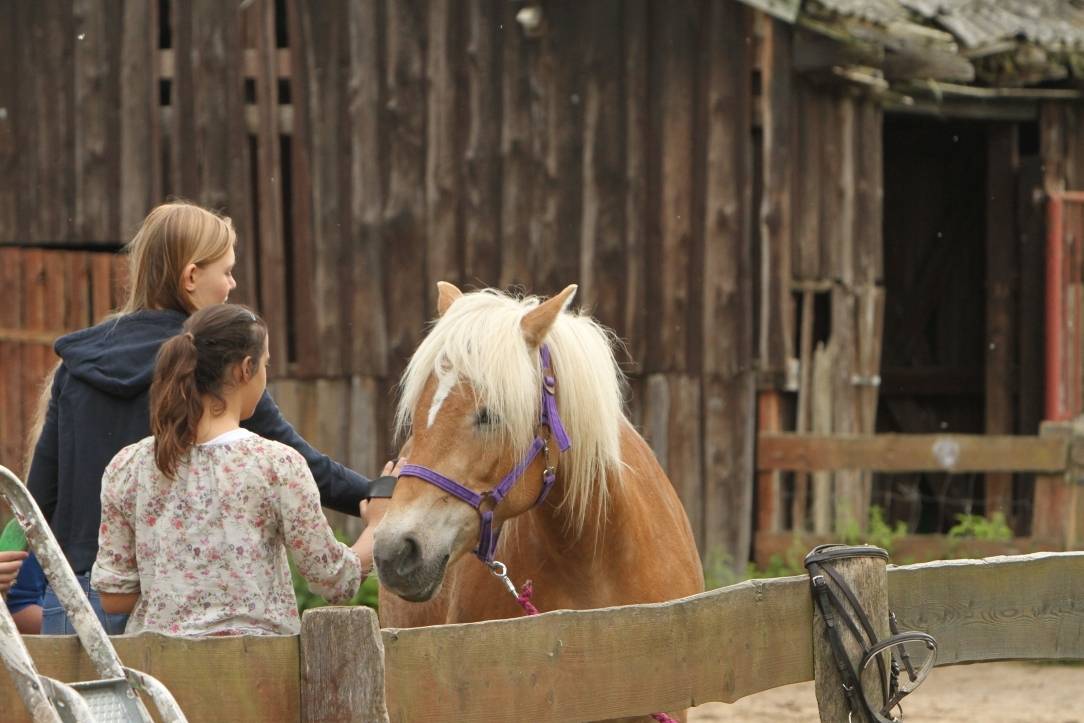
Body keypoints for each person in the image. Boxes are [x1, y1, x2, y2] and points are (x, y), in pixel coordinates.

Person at [26, 201, 388, 635]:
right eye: (228, 271)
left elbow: (39, 498)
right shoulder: (213, 365)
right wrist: (382, 492)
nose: (233, 284)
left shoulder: (76, 366)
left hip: (77, 600)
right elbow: (305, 466)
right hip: (170, 607)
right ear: (192, 276)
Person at [92, 305, 374, 635]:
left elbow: (114, 599)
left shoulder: (128, 466)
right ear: (245, 369)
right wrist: (377, 528)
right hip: (256, 675)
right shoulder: (276, 465)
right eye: (265, 364)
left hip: (159, 677)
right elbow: (334, 580)